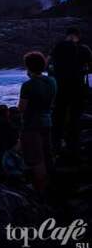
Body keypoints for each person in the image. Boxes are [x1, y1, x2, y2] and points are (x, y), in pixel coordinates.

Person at [49, 27, 92, 157]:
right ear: (78, 36)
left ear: (67, 35)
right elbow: (90, 68)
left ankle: (56, 146)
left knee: (58, 117)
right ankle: (73, 147)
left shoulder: (58, 46)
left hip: (60, 88)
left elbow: (48, 64)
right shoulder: (85, 49)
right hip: (78, 89)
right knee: (75, 118)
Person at [18, 51, 57, 193]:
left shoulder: (28, 85)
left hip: (31, 125)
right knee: (47, 155)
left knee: (36, 159)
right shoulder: (52, 81)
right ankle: (50, 187)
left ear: (28, 67)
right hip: (47, 121)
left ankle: (40, 192)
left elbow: (21, 108)